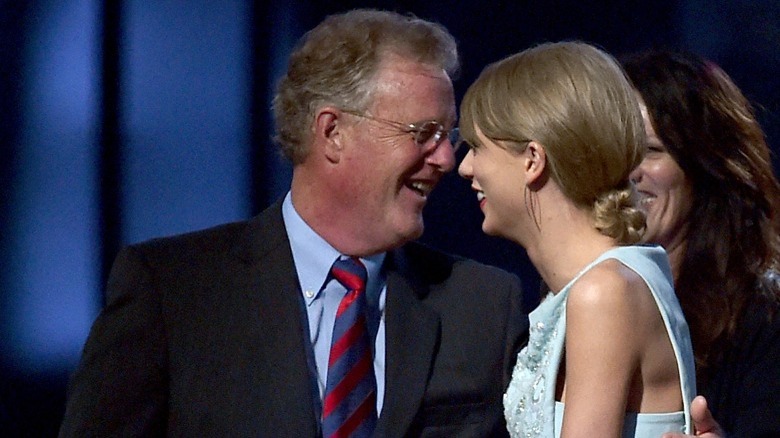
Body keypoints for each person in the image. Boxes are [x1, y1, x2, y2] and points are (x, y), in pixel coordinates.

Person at [59, 9, 528, 437]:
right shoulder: (173, 291)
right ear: (333, 133)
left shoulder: (482, 305)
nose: (447, 159)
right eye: (422, 133)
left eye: (448, 136)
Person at [457, 41, 697, 437]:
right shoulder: (593, 286)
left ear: (533, 160)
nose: (465, 167)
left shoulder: (603, 293)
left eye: (478, 147)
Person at [623, 49, 780, 438]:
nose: (628, 173)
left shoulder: (762, 314)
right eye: (616, 151)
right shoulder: (569, 295)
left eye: (650, 151)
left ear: (703, 164)